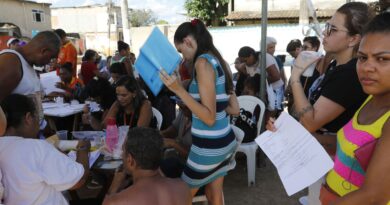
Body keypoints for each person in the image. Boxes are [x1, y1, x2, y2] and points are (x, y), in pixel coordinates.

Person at [268, 2, 374, 205]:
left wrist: (296, 76)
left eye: (332, 30)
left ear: (353, 38)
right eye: (327, 27)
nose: (324, 34)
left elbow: (311, 121)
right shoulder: (336, 65)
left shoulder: (350, 74)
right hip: (322, 156)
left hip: (335, 162)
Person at [160, 19, 239, 205]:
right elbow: (234, 108)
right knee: (214, 196)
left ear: (188, 41)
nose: (183, 57)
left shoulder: (202, 63)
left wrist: (179, 90)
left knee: (181, 199)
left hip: (208, 148)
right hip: (224, 142)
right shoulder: (217, 60)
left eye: (181, 51)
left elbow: (209, 118)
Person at [320, 12, 390, 205]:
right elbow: (348, 146)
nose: (367, 67)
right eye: (362, 58)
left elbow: (374, 196)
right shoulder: (371, 99)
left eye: (382, 59)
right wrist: (293, 135)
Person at [0, 94, 90, 205]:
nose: (39, 125)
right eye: (38, 118)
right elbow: (79, 180)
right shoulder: (35, 148)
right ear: (28, 118)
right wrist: (83, 148)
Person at [102, 127, 191, 205]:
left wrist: (113, 187)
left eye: (123, 151)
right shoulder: (183, 188)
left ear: (130, 160)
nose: (122, 156)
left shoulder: (116, 201)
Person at [0, 31, 61, 122]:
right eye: (51, 57)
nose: (50, 62)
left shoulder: (28, 64)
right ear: (43, 51)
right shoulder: (11, 62)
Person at [238, 46, 284, 112]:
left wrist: (259, 82)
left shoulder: (264, 57)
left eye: (245, 60)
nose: (245, 63)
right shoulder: (248, 64)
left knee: (273, 112)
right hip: (263, 91)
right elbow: (252, 77)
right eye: (243, 62)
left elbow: (276, 77)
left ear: (251, 55)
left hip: (275, 89)